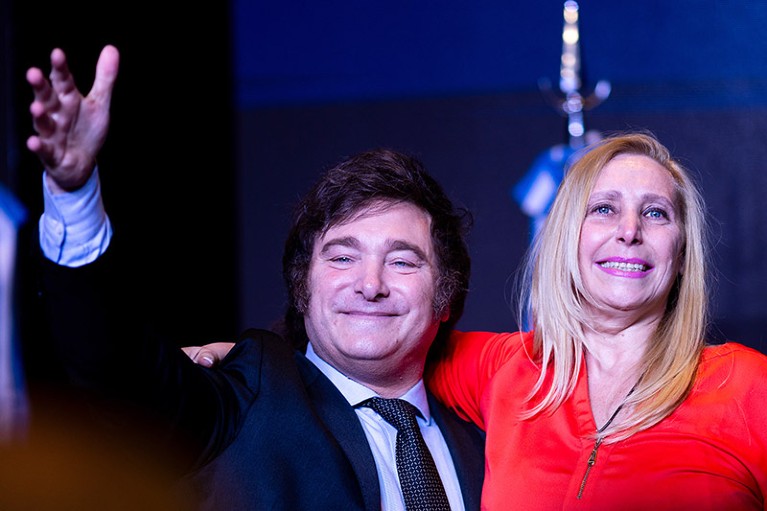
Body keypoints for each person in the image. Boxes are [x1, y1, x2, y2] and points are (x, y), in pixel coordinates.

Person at [198, 133, 767, 509]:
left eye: (656, 213)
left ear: (683, 249)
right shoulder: (504, 369)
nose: (629, 230)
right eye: (603, 208)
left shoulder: (744, 385)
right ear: (566, 234)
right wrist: (243, 359)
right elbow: (375, 339)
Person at [26, 46, 484, 510]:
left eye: (402, 262)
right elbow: (116, 369)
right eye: (342, 259)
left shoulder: (489, 436)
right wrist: (75, 194)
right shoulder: (248, 397)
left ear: (446, 297)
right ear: (303, 288)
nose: (370, 285)